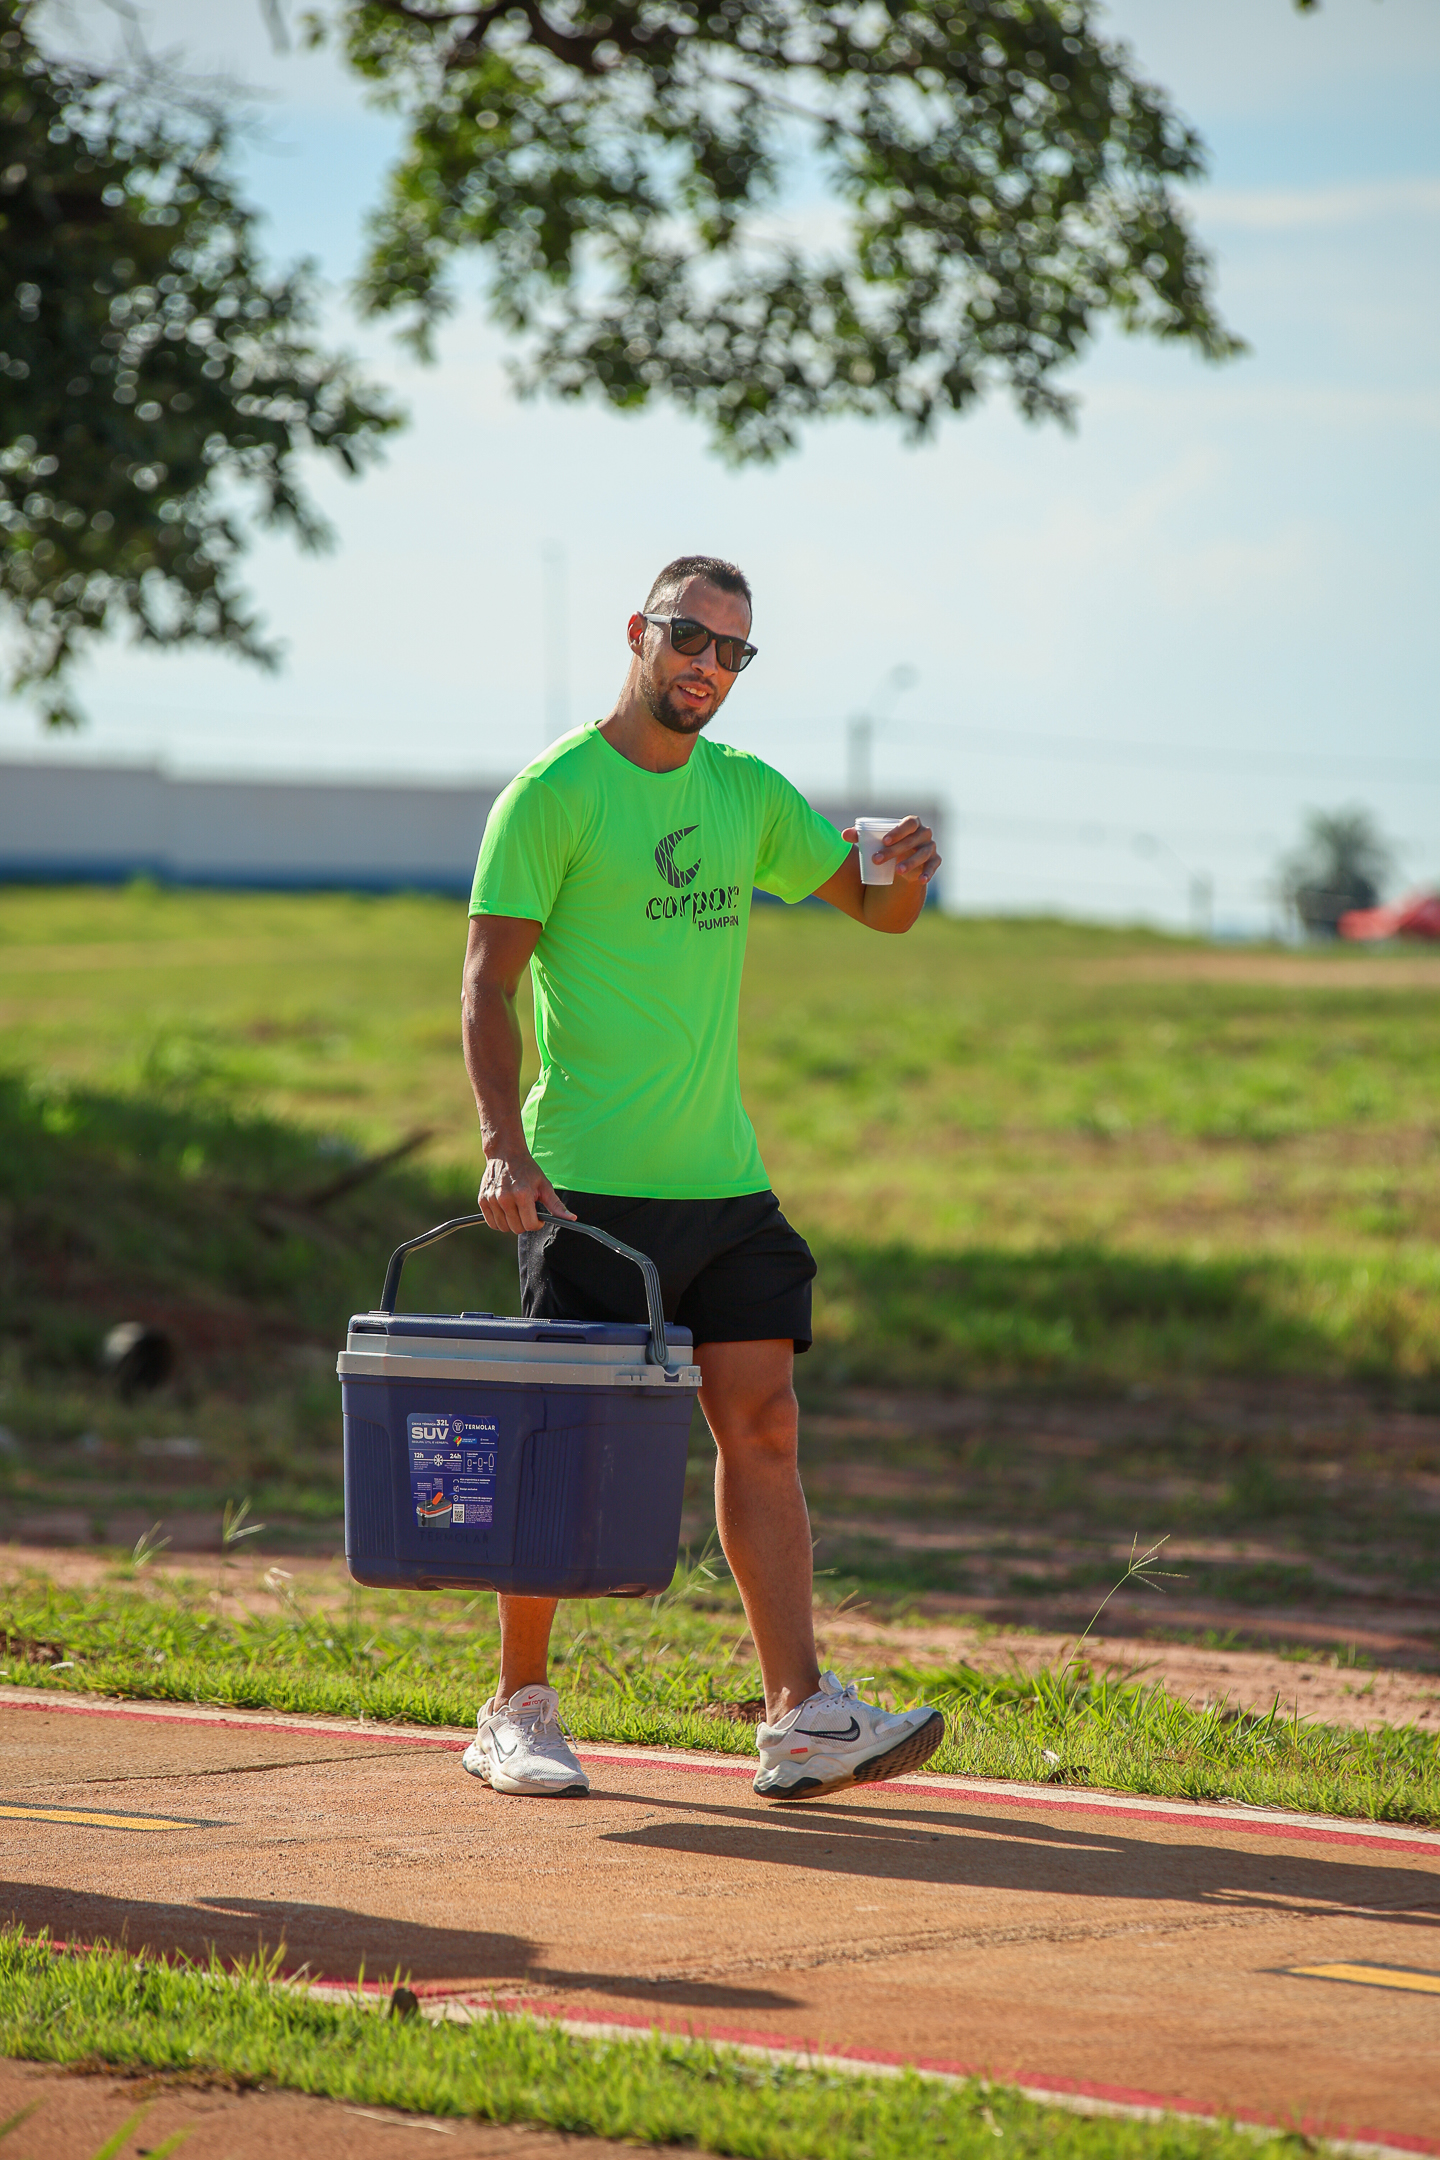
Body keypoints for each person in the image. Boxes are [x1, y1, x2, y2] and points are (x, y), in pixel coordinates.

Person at [460, 554, 943, 1803]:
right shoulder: (554, 794)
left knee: (764, 1426)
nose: (710, 668)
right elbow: (486, 987)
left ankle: (798, 1718)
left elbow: (878, 914)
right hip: (586, 1188)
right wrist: (505, 1146)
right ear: (640, 631)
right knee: (561, 1448)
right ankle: (516, 1706)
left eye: (734, 652)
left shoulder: (747, 794)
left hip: (724, 1182)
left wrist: (904, 867)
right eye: (691, 638)